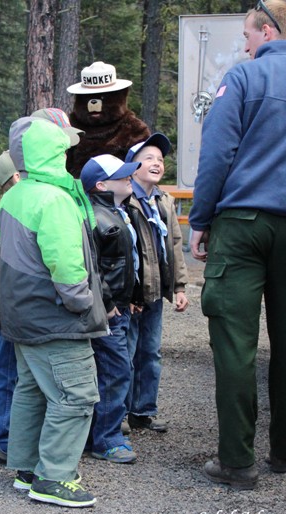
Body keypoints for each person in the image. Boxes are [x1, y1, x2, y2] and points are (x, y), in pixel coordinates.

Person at [189, 1, 286, 490]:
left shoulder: (244, 79)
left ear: (266, 32)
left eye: (247, 34)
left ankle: (237, 462)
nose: (244, 44)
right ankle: (285, 454)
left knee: (235, 346)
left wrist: (200, 220)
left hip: (242, 227)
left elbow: (217, 153)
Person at [0, 117, 106, 508]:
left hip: (23, 315)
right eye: (63, 149)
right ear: (53, 153)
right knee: (75, 395)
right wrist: (82, 303)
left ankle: (27, 468)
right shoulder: (55, 199)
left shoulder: (15, 195)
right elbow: (66, 265)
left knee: (32, 389)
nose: (67, 154)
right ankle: (54, 477)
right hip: (54, 317)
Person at [124, 133, 189, 433]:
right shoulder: (125, 200)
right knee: (126, 352)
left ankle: (143, 411)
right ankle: (118, 413)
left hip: (154, 295)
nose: (156, 163)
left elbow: (174, 245)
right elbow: (124, 252)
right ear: (132, 166)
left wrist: (178, 287)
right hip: (133, 295)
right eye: (148, 158)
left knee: (151, 352)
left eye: (160, 160)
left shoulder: (163, 201)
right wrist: (128, 293)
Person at [80, 154, 142, 464]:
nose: (130, 178)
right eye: (123, 175)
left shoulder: (119, 212)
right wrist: (107, 303)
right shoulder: (96, 217)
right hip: (109, 311)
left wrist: (132, 296)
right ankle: (105, 438)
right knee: (113, 370)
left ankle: (101, 432)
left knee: (116, 367)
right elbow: (92, 267)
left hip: (121, 306)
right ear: (101, 185)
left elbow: (127, 262)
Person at [0, 151, 20, 464]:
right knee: (8, 372)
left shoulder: (11, 207)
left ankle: (11, 433)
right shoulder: (9, 211)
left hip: (9, 307)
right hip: (8, 309)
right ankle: (5, 435)